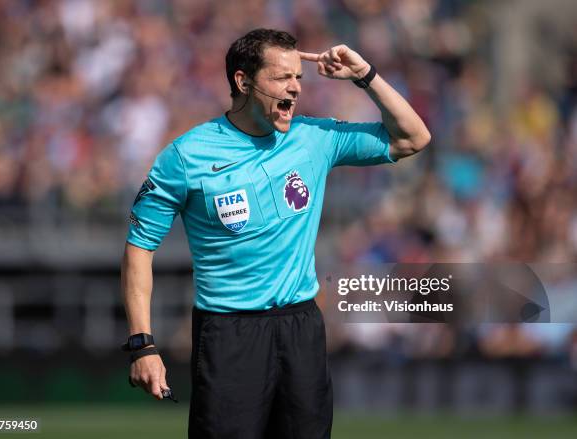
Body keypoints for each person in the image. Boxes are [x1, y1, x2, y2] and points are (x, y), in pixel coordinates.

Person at [121, 28, 430, 438]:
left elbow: (413, 137)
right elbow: (139, 248)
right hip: (229, 333)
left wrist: (364, 75)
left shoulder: (314, 139)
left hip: (301, 330)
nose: (296, 88)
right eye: (282, 77)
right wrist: (143, 344)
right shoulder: (186, 157)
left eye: (298, 77)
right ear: (242, 81)